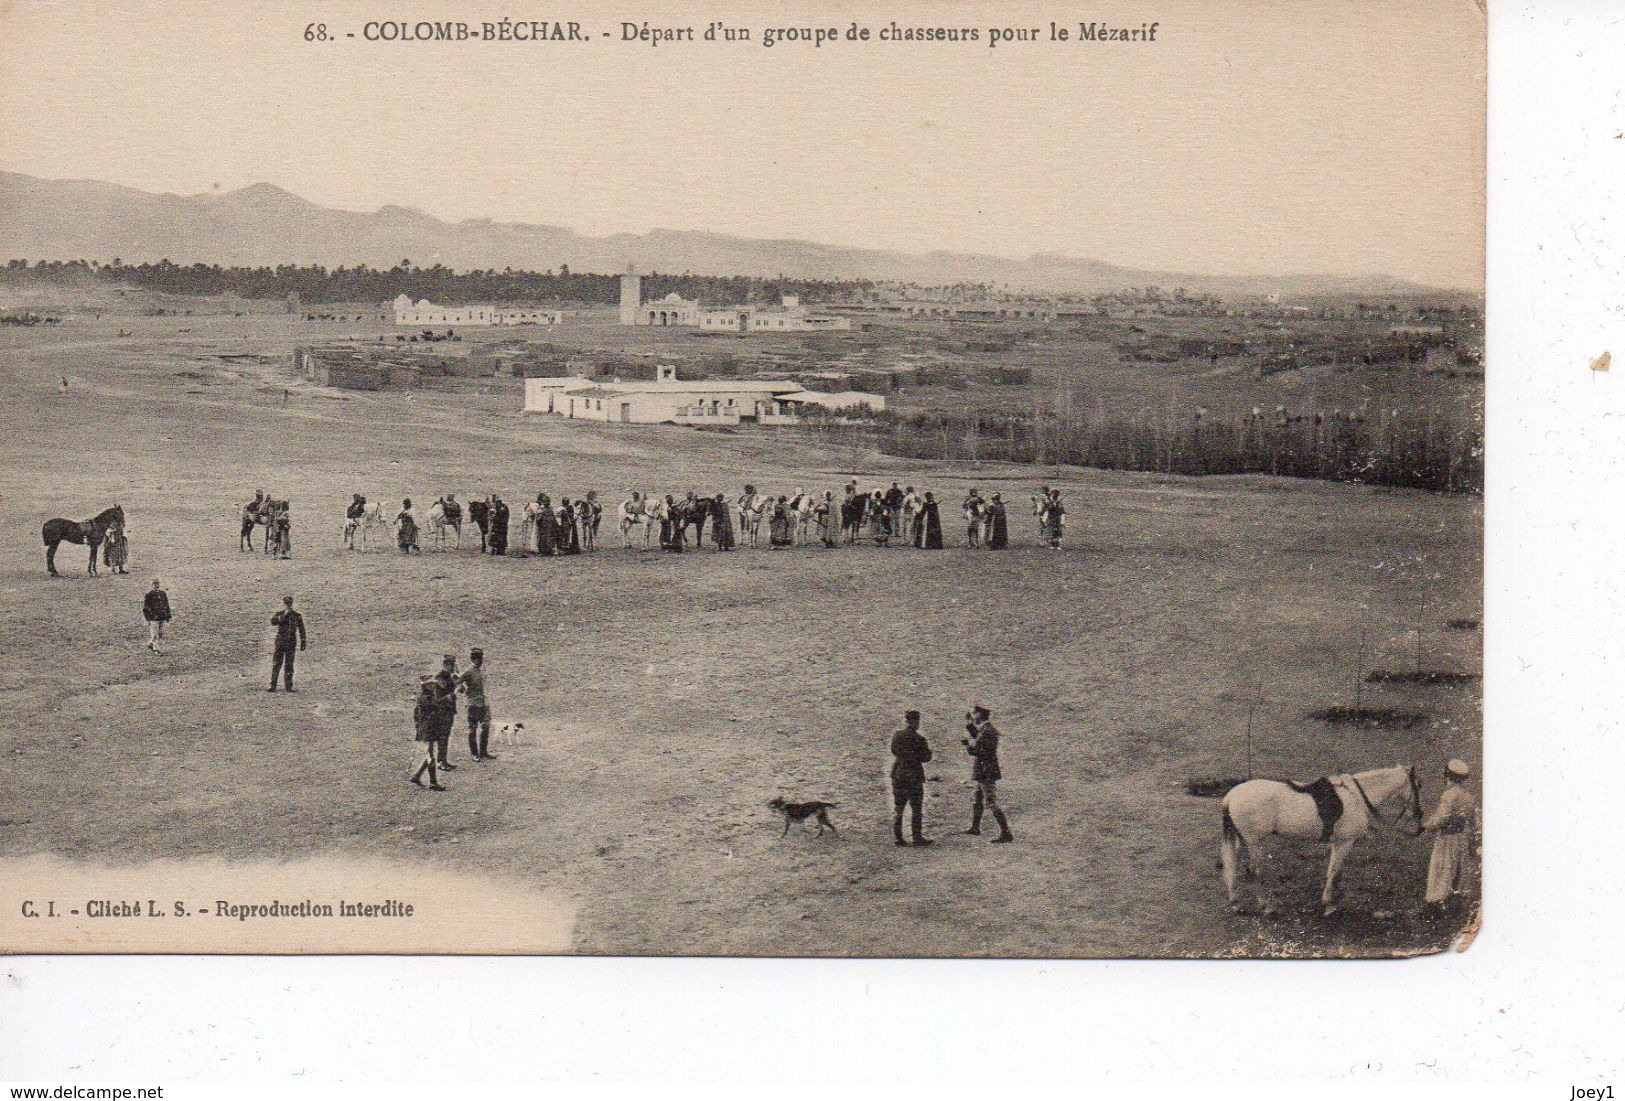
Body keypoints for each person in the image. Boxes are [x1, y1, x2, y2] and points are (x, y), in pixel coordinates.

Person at [1421, 759, 1477, 918]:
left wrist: (1426, 825)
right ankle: (1454, 903)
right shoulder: (1468, 797)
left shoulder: (1449, 795)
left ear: (1448, 776)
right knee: (1457, 870)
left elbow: (1442, 818)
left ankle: (1435, 905)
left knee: (1441, 870)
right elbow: (1473, 820)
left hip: (1446, 839)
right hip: (1461, 838)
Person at [962, 706, 1014, 842]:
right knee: (978, 797)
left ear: (980, 714)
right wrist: (969, 725)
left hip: (986, 771)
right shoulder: (986, 729)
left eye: (974, 713)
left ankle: (1006, 832)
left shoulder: (987, 731)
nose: (973, 716)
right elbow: (979, 738)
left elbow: (979, 749)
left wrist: (968, 746)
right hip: (985, 769)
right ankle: (975, 827)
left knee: (991, 801)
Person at [890, 710, 934, 846]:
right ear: (914, 721)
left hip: (898, 774)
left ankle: (898, 837)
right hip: (914, 776)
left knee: (899, 807)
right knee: (916, 808)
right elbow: (926, 757)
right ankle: (917, 837)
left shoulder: (897, 735)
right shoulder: (919, 738)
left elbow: (893, 750)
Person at [410, 677, 446, 790]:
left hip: (428, 729)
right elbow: (435, 706)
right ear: (425, 686)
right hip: (427, 730)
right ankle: (433, 782)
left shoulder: (428, 696)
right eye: (430, 684)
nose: (433, 686)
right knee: (430, 755)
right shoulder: (425, 698)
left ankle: (417, 775)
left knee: (429, 754)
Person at [460, 648, 495, 761]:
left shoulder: (481, 670)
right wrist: (464, 691)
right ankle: (474, 753)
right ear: (472, 659)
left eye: (481, 658)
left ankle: (483, 752)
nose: (480, 661)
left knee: (486, 727)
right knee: (473, 729)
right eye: (477, 658)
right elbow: (457, 683)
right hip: (472, 704)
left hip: (483, 704)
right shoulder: (468, 671)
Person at [268, 595, 307, 692]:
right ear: (284, 604)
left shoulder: (297, 615)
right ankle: (273, 685)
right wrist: (281, 616)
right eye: (286, 603)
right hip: (280, 641)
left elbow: (302, 629)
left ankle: (288, 686)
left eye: (289, 603)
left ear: (291, 603)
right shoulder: (279, 614)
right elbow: (273, 622)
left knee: (289, 664)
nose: (288, 605)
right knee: (277, 663)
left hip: (291, 642)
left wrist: (303, 642)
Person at [432, 655, 458, 771]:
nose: (453, 667)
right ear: (445, 665)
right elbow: (437, 698)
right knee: (442, 736)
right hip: (441, 712)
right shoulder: (439, 677)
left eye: (453, 665)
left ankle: (444, 759)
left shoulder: (449, 677)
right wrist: (447, 697)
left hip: (449, 711)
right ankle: (440, 761)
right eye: (451, 665)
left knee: (446, 736)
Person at [142, 579, 171, 654]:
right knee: (155, 634)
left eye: (157, 583)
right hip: (153, 618)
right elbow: (145, 608)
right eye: (154, 584)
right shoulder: (149, 595)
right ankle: (156, 649)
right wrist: (148, 618)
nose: (156, 585)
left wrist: (168, 616)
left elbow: (166, 605)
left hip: (162, 616)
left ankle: (150, 644)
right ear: (151, 585)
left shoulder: (163, 593)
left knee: (160, 633)